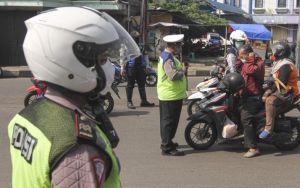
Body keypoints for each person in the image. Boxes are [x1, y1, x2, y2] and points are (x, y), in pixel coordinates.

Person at [8, 7, 141, 187]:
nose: (109, 67)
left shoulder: (28, 115)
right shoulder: (77, 147)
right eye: (102, 60)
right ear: (69, 64)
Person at [260, 42, 299, 139]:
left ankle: (268, 129)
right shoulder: (279, 64)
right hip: (282, 90)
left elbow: (281, 83)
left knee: (269, 101)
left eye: (273, 52)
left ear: (280, 53)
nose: (271, 54)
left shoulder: (285, 65)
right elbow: (273, 79)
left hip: (287, 92)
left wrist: (267, 91)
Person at [157, 34, 187, 156]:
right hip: (170, 94)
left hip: (172, 94)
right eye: (178, 45)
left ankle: (167, 141)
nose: (180, 47)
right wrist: (183, 71)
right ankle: (167, 147)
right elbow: (173, 76)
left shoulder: (168, 56)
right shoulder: (167, 58)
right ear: (174, 46)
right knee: (169, 121)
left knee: (168, 121)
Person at [237, 44, 265, 158]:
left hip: (253, 97)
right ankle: (247, 138)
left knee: (246, 119)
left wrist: (250, 58)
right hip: (246, 96)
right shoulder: (246, 62)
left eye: (242, 55)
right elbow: (238, 66)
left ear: (249, 54)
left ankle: (253, 148)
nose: (241, 58)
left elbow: (250, 71)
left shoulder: (258, 63)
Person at [120, 44, 155, 109]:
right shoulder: (126, 43)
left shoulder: (141, 43)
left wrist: (147, 66)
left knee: (142, 84)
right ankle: (129, 102)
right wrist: (122, 68)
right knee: (130, 85)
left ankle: (144, 101)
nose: (138, 34)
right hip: (131, 67)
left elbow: (145, 55)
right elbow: (122, 56)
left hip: (141, 66)